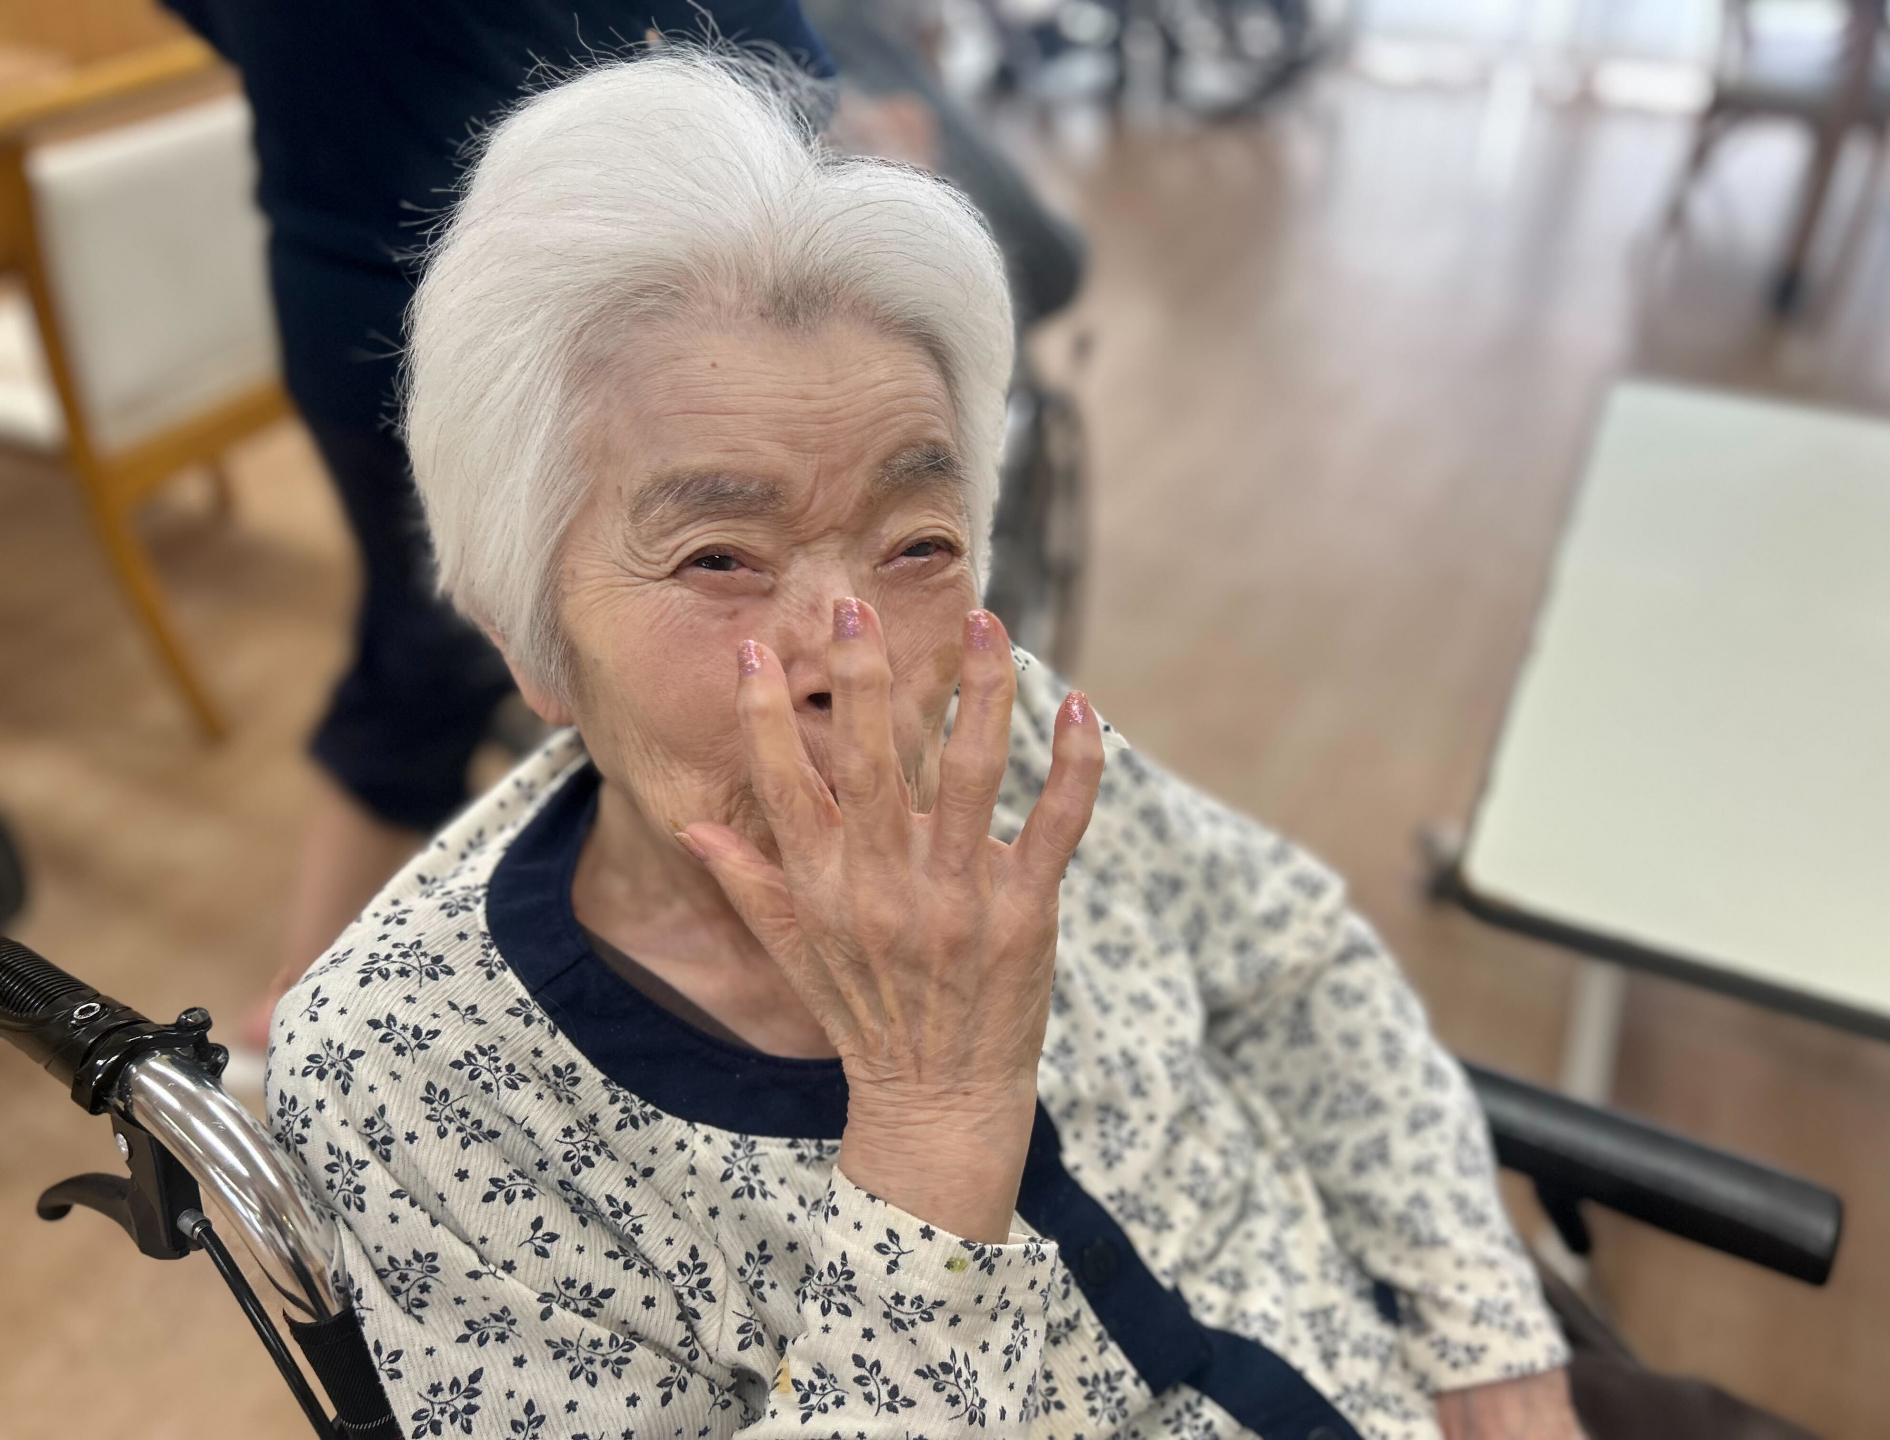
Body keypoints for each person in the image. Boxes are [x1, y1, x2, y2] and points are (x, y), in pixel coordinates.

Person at [269, 50, 1587, 1439]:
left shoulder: (988, 736)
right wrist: (932, 1122)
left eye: (916, 547)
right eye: (719, 557)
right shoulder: (411, 1072)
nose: (863, 662)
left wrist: (1493, 1347)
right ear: (531, 637)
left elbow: (1292, 965)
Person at [159, 1, 836, 1053]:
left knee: (434, 639)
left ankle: (307, 1001)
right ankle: (312, 1015)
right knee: (504, 650)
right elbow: (770, 60)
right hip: (517, 319)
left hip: (333, 297)